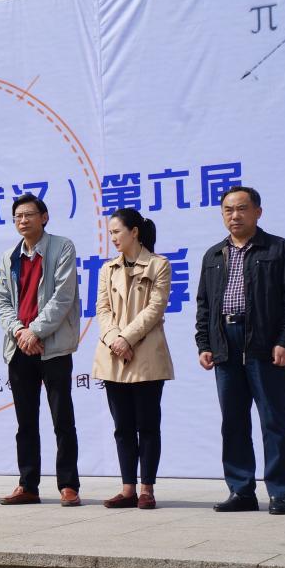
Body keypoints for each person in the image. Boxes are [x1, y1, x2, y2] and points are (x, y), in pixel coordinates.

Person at [196, 186, 285, 515]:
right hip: (225, 344)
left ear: (258, 212)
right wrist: (205, 344)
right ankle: (241, 490)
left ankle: (280, 492)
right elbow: (204, 305)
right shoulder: (213, 255)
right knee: (233, 422)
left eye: (242, 208)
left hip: (264, 343)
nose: (235, 216)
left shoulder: (280, 249)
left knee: (274, 420)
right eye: (228, 210)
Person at [0, 194, 82, 507]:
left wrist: (35, 331)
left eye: (29, 214)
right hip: (20, 347)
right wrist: (20, 331)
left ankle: (68, 485)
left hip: (53, 346)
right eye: (18, 216)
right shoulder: (9, 256)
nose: (23, 220)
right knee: (25, 422)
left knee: (62, 419)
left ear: (44, 217)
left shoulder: (62, 247)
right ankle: (28, 485)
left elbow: (63, 297)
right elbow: (2, 301)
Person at [93, 209, 173, 510]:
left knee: (148, 425)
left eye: (117, 232)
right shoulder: (107, 269)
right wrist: (115, 339)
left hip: (146, 354)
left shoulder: (159, 264)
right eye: (110, 233)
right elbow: (102, 310)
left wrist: (126, 339)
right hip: (113, 355)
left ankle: (146, 488)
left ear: (134, 232)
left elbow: (155, 308)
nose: (113, 238)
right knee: (122, 426)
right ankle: (127, 488)